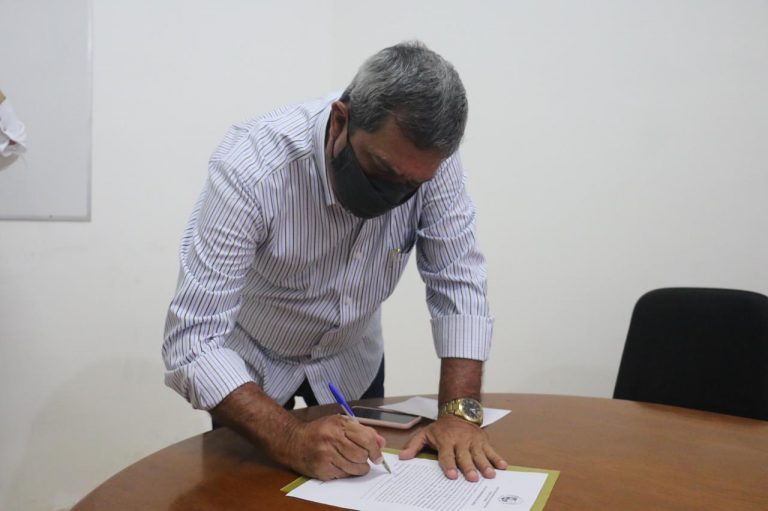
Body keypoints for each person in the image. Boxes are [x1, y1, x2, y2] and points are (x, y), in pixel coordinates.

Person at [163, 41, 507, 483]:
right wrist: (290, 438)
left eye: (411, 184)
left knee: (360, 489)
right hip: (250, 366)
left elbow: (457, 280)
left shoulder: (429, 164)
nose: (394, 195)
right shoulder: (252, 167)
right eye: (381, 169)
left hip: (351, 359)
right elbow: (193, 341)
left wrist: (460, 415)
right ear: (342, 121)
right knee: (245, 495)